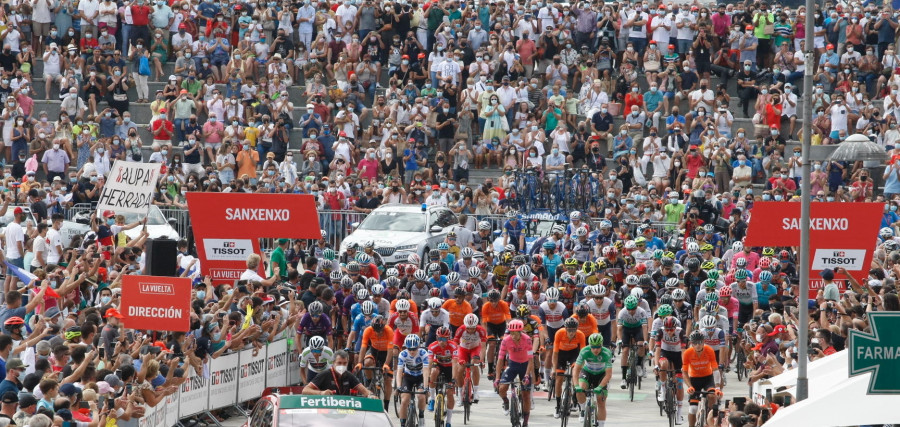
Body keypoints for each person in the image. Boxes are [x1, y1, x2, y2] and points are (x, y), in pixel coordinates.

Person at [682, 330, 722, 427]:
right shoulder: (687, 353)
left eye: (700, 342)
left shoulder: (709, 350)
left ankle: (709, 418)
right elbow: (684, 372)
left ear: (703, 342)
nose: (697, 345)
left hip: (708, 378)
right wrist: (689, 386)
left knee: (712, 397)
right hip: (694, 380)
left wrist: (717, 388)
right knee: (693, 409)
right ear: (691, 343)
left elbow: (715, 369)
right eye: (694, 343)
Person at [302, 350, 375, 397]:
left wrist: (371, 395)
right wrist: (321, 393)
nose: (342, 366)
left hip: (344, 411)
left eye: (344, 363)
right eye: (339, 363)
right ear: (333, 363)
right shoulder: (324, 375)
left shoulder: (349, 375)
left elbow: (364, 390)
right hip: (327, 411)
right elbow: (305, 390)